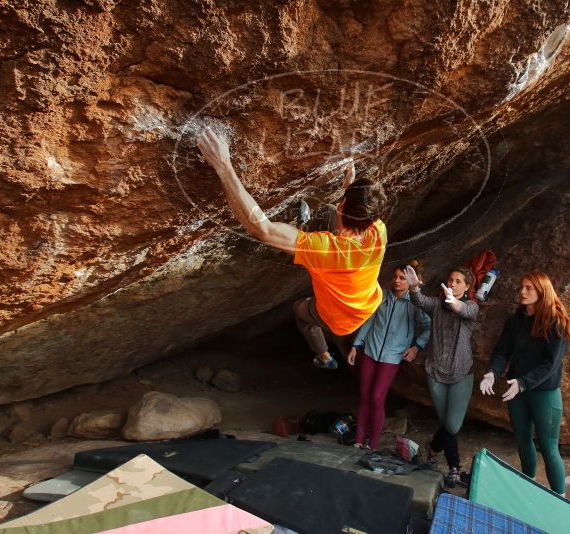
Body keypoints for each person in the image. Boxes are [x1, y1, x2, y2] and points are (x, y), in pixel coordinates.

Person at [196, 129, 388, 370]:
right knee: (327, 212)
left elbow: (262, 230)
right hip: (368, 300)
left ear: (345, 205)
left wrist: (223, 166)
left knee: (300, 311)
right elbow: (356, 212)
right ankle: (305, 233)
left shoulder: (326, 251)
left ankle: (324, 357)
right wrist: (350, 187)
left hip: (339, 319)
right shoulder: (377, 231)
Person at [480, 272, 570, 495]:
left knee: (549, 447)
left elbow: (550, 364)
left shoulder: (556, 322)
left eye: (529, 288)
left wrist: (523, 383)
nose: (522, 292)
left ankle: (560, 499)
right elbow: (502, 350)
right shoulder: (516, 320)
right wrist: (492, 372)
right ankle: (528, 486)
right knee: (522, 440)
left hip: (544, 393)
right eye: (522, 287)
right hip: (517, 392)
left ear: (542, 291)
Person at [404, 264, 479, 487]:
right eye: (451, 280)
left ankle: (437, 451)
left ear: (466, 288)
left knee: (452, 425)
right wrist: (415, 288)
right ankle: (454, 467)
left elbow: (462, 311)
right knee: (445, 421)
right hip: (435, 372)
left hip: (461, 374)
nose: (453, 284)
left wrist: (453, 301)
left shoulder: (471, 306)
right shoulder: (436, 305)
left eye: (458, 282)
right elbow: (419, 301)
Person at [347, 261, 432, 449]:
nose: (397, 281)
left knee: (377, 397)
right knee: (365, 395)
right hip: (371, 350)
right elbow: (369, 320)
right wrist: (356, 344)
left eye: (402, 278)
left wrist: (417, 346)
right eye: (395, 277)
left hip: (392, 356)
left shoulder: (415, 302)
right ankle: (359, 441)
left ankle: (372, 444)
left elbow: (427, 326)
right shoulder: (383, 296)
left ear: (411, 280)